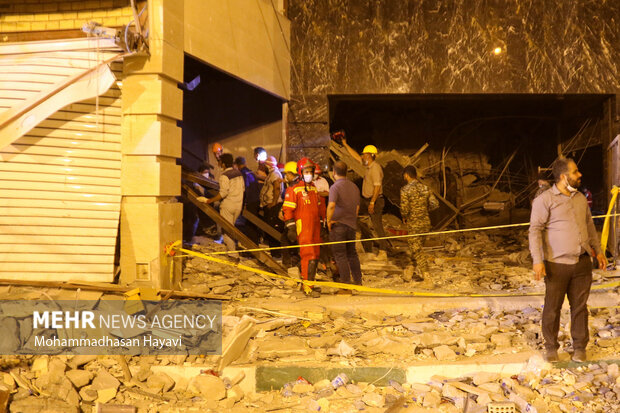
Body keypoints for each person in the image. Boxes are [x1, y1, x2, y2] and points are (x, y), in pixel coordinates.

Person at [529, 158, 607, 363]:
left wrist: (598, 251)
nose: (579, 174)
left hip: (582, 262)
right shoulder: (545, 200)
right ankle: (551, 347)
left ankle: (580, 347)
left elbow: (589, 226)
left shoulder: (580, 198)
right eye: (575, 171)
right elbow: (534, 231)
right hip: (556, 265)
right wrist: (538, 260)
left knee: (580, 307)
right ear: (564, 177)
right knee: (552, 307)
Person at [282, 157, 326, 295]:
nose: (309, 174)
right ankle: (307, 287)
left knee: (316, 255)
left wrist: (322, 224)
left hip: (315, 228)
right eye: (306, 171)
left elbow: (319, 208)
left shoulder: (313, 189)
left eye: (310, 171)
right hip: (304, 227)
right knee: (308, 255)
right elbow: (287, 210)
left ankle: (310, 285)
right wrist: (291, 227)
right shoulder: (294, 190)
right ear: (300, 172)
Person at [341, 139, 388, 260]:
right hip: (366, 200)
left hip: (375, 201)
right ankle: (357, 233)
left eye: (365, 155)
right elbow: (356, 156)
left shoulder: (375, 168)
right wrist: (346, 144)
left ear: (371, 156)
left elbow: (377, 187)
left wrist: (372, 202)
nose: (362, 156)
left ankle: (383, 252)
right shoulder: (368, 166)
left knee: (377, 226)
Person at [197, 153, 245, 254]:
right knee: (231, 229)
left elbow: (223, 193)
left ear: (223, 164)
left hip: (228, 206)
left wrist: (208, 200)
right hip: (238, 206)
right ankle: (233, 249)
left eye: (219, 162)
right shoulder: (239, 173)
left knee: (226, 231)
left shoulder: (224, 176)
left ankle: (233, 255)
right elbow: (243, 189)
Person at [326, 161, 362, 291]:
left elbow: (331, 205)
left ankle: (346, 285)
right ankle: (358, 282)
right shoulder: (354, 187)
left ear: (334, 172)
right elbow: (357, 209)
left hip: (338, 225)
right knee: (352, 254)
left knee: (340, 255)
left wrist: (328, 220)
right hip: (351, 224)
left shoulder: (335, 187)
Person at [400, 165, 439, 282]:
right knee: (416, 247)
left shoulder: (405, 190)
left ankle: (427, 277)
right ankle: (409, 272)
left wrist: (405, 216)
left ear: (406, 175)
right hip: (426, 223)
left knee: (417, 250)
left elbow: (404, 209)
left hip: (414, 223)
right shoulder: (425, 188)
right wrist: (424, 211)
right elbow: (435, 204)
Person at [260, 155, 284, 258]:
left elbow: (277, 188)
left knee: (273, 230)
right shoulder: (271, 174)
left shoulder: (274, 174)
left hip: (273, 207)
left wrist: (273, 202)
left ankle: (277, 255)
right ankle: (275, 254)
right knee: (269, 230)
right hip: (269, 206)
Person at [234, 156, 261, 245]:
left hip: (250, 202)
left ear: (237, 165)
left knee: (249, 226)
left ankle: (252, 248)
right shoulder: (251, 172)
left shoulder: (242, 174)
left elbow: (245, 189)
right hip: (256, 200)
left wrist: (244, 203)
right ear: (245, 163)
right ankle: (254, 245)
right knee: (253, 225)